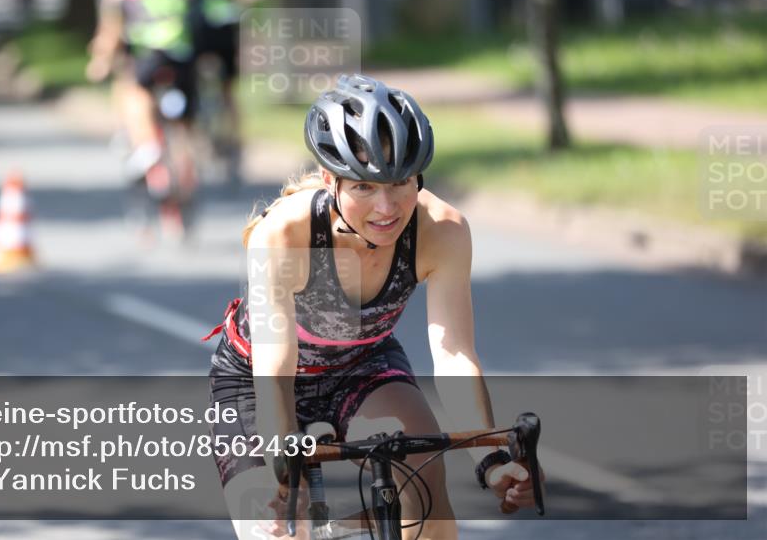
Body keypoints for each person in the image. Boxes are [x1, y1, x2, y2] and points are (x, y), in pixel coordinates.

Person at [204, 74, 542, 539]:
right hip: (256, 378)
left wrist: (490, 458)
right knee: (277, 527)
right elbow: (274, 369)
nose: (387, 207)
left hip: (363, 366)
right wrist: (284, 472)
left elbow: (454, 354)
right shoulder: (283, 235)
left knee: (424, 485)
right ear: (330, 180)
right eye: (364, 187)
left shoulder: (442, 230)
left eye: (401, 181)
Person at [86, 0, 198, 236]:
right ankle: (186, 165)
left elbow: (109, 37)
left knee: (133, 96)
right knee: (183, 129)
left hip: (148, 64)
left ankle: (146, 147)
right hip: (182, 64)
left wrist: (99, 64)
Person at [187, 0, 243, 180]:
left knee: (196, 88)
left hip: (202, 47)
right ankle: (235, 138)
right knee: (228, 93)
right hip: (227, 46)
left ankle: (201, 135)